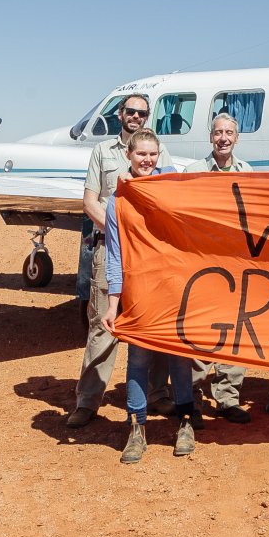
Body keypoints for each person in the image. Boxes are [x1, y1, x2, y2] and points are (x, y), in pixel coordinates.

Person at [102, 132, 200, 463]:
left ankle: (185, 423)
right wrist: (113, 303)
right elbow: (115, 255)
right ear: (128, 155)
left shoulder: (170, 189)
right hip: (139, 291)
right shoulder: (118, 201)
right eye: (141, 153)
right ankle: (136, 428)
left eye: (153, 154)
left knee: (179, 357)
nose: (147, 159)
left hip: (173, 288)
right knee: (139, 360)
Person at [64, 93, 152, 429]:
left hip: (146, 253)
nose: (136, 117)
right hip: (109, 247)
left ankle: (155, 394)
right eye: (130, 111)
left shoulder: (156, 147)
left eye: (141, 113)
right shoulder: (102, 152)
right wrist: (119, 231)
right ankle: (87, 402)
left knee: (149, 320)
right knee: (103, 323)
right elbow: (90, 202)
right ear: (120, 115)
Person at [183, 114, 254, 422]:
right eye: (218, 132)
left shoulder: (248, 172)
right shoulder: (193, 171)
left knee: (234, 329)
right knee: (200, 329)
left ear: (236, 138)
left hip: (235, 263)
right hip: (202, 263)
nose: (223, 138)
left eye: (229, 133)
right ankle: (193, 398)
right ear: (210, 137)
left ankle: (228, 398)